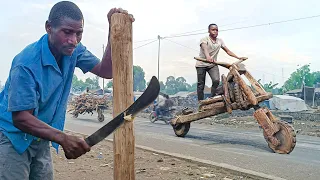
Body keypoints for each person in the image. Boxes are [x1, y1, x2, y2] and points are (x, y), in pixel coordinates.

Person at [0, 1, 134, 179]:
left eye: (79, 33)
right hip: (12, 137)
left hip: (40, 137)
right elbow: (21, 118)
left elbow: (106, 71)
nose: (73, 40)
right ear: (49, 27)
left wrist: (113, 30)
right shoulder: (26, 64)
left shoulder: (74, 50)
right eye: (67, 32)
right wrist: (63, 138)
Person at [196, 23, 247, 101]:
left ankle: (211, 97)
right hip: (201, 64)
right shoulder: (204, 39)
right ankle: (200, 102)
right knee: (200, 85)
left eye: (216, 30)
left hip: (212, 64)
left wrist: (238, 57)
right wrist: (208, 57)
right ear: (209, 31)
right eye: (213, 30)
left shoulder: (220, 41)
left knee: (216, 80)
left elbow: (228, 51)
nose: (215, 31)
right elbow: (204, 48)